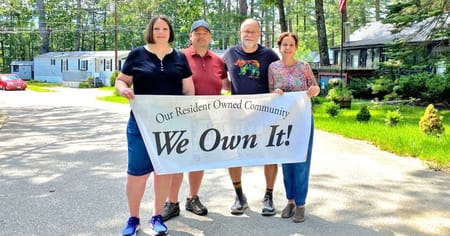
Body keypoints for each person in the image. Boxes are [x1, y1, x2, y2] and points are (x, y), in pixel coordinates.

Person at [115, 15, 195, 236]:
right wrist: (123, 89)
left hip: (171, 127)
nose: (161, 32)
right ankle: (133, 219)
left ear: (170, 32)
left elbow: (189, 90)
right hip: (140, 125)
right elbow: (121, 80)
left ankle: (157, 216)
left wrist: (186, 109)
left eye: (165, 29)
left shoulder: (179, 57)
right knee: (137, 174)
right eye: (157, 28)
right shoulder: (137, 55)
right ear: (151, 31)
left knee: (164, 171)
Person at [161, 19, 230, 221]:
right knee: (178, 161)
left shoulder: (218, 61)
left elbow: (227, 86)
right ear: (190, 36)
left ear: (210, 36)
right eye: (196, 33)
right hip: (181, 119)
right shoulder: (178, 57)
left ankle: (193, 198)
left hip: (207, 121)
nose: (201, 36)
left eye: (205, 33)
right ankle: (172, 203)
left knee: (198, 159)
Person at [222, 18, 280, 216]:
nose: (248, 35)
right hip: (237, 115)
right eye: (245, 31)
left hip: (265, 115)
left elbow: (279, 78)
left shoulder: (270, 54)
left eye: (252, 32)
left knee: (270, 154)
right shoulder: (230, 54)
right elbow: (221, 80)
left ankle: (269, 197)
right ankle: (239, 196)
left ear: (259, 34)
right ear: (240, 33)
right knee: (234, 154)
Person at [268, 32, 320, 223]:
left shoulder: (304, 67)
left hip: (303, 120)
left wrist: (315, 90)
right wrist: (276, 92)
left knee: (301, 163)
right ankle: (289, 201)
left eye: (291, 45)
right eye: (284, 45)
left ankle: (300, 204)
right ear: (280, 47)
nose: (288, 48)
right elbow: (270, 92)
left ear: (295, 47)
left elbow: (314, 87)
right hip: (283, 122)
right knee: (286, 162)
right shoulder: (273, 68)